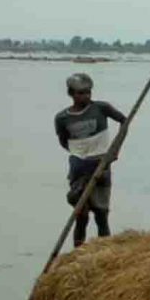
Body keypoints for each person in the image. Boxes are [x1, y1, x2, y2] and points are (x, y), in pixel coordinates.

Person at [54, 73, 128, 247]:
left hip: (102, 165)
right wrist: (79, 154)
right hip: (79, 168)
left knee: (102, 214)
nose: (86, 96)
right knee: (81, 215)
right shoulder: (62, 118)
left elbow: (124, 121)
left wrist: (114, 150)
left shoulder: (101, 108)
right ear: (71, 93)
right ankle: (77, 253)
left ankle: (105, 251)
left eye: (88, 92)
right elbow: (64, 141)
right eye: (80, 93)